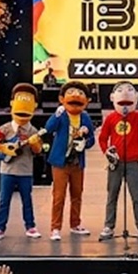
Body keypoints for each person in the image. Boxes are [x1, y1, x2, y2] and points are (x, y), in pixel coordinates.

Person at [98, 82, 138, 239]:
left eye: (130, 90)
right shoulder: (110, 118)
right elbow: (102, 138)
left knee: (137, 195)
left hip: (132, 163)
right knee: (112, 195)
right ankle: (109, 226)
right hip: (115, 163)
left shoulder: (136, 117)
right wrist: (106, 152)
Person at [0, 83, 46, 239]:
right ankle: (0, 227)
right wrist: (4, 148)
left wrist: (34, 143)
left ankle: (30, 226)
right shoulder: (6, 128)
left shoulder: (33, 131)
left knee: (27, 200)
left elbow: (39, 150)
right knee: (4, 201)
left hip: (25, 170)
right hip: (7, 170)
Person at [44, 81, 96, 241]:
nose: (75, 96)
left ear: (87, 101)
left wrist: (84, 143)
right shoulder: (61, 115)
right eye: (71, 92)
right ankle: (55, 227)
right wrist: (57, 114)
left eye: (80, 93)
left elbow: (92, 139)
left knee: (77, 195)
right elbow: (49, 127)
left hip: (77, 163)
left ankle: (75, 224)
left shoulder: (85, 117)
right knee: (59, 196)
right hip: (60, 163)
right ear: (61, 98)